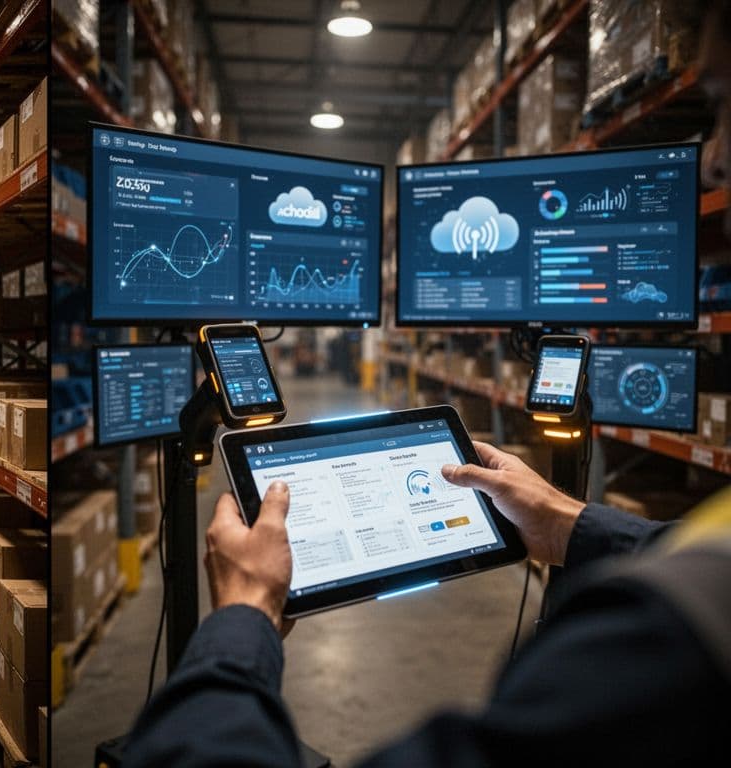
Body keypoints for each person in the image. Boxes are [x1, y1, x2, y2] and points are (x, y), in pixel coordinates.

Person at [126, 7, 731, 762]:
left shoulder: (665, 644)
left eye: (721, 102)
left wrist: (241, 621)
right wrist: (569, 522)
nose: (710, 161)